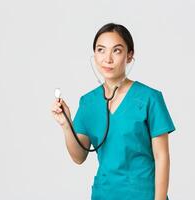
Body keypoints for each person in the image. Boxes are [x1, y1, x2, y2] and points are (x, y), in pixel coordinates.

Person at [51, 23, 176, 200]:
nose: (107, 59)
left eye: (116, 50)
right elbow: (79, 157)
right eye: (101, 50)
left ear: (129, 55)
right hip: (104, 193)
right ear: (94, 54)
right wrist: (66, 124)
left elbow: (162, 156)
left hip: (143, 194)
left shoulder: (150, 98)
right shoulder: (88, 102)